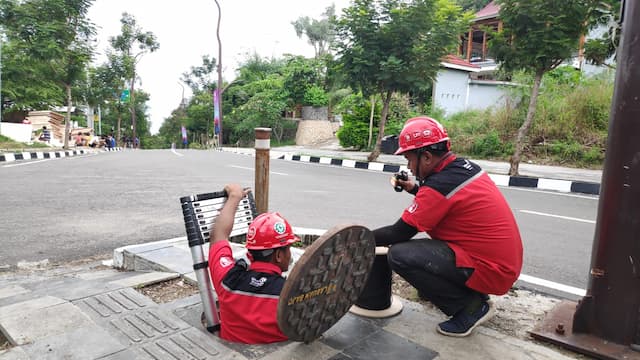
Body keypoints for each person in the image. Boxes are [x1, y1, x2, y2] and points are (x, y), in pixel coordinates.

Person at [354, 116, 523, 337]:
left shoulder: (439, 186)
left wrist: (355, 239)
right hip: (499, 261)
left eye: (408, 159)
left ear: (426, 157)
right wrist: (415, 188)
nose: (408, 167)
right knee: (422, 251)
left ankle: (471, 309)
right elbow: (445, 200)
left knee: (400, 254)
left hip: (491, 268)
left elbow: (399, 232)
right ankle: (467, 293)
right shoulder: (465, 168)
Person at [208, 183, 300, 344]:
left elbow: (218, 236)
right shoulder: (291, 295)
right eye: (288, 249)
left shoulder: (228, 280)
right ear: (279, 255)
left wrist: (234, 197)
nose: (289, 254)